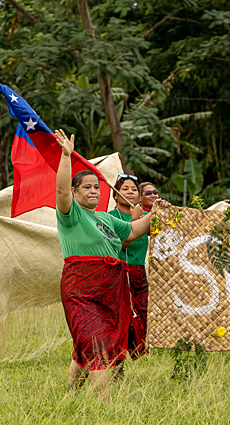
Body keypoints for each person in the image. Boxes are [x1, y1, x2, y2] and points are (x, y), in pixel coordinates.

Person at [54, 130, 165, 398]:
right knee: (96, 343)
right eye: (87, 187)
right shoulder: (70, 214)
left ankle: (70, 394)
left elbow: (134, 231)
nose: (93, 191)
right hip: (82, 288)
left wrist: (159, 212)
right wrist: (66, 156)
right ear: (75, 191)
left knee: (91, 342)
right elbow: (60, 190)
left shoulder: (106, 219)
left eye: (96, 187)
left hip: (111, 289)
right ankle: (106, 406)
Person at [107, 174, 150, 376]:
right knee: (120, 320)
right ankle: (116, 364)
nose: (130, 192)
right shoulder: (110, 217)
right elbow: (118, 244)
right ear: (115, 195)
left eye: (134, 189)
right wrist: (133, 221)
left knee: (140, 319)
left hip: (138, 274)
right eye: (125, 189)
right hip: (117, 273)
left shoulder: (146, 217)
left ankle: (123, 359)